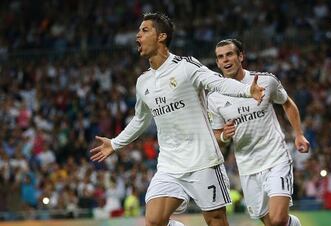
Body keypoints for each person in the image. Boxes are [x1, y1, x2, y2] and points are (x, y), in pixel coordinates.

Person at [89, 13, 265, 226]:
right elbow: (140, 119)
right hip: (170, 165)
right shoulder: (143, 82)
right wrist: (115, 143)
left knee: (216, 221)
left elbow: (217, 83)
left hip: (203, 161)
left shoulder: (186, 67)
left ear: (161, 36)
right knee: (154, 221)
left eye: (144, 30)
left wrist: (248, 90)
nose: (138, 35)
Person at [208, 39, 309, 226]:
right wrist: (224, 136)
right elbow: (216, 134)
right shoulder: (214, 97)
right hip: (247, 166)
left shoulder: (266, 81)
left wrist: (299, 134)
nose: (225, 60)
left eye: (229, 54)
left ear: (240, 56)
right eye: (220, 57)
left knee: (278, 220)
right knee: (271, 223)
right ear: (217, 63)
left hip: (275, 157)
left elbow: (287, 103)